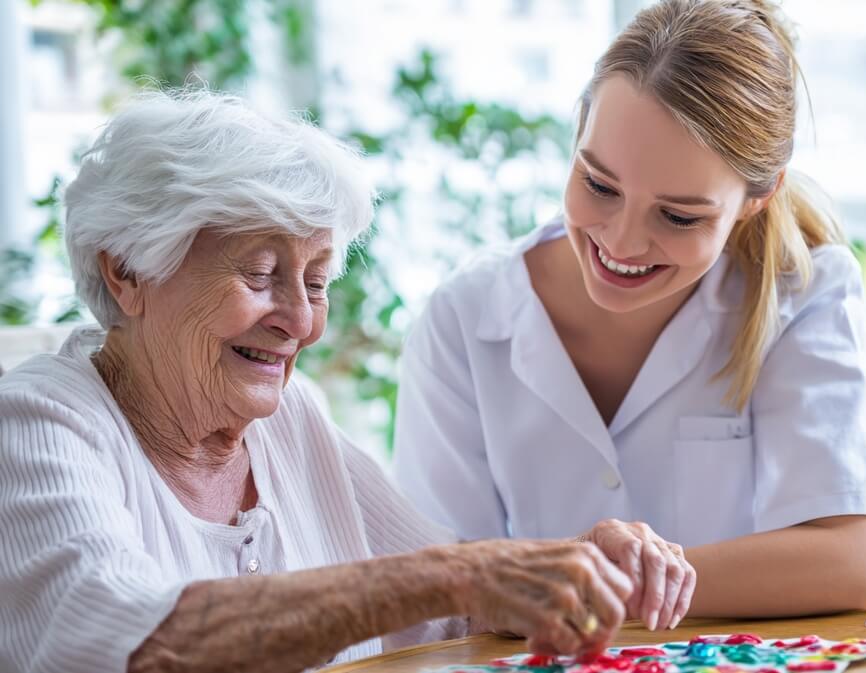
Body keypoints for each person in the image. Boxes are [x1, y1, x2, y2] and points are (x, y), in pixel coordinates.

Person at [0, 90, 692, 673]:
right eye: (261, 274)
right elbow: (115, 639)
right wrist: (461, 576)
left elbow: (455, 597)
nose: (300, 320)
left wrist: (576, 563)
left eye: (316, 281)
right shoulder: (37, 422)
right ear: (126, 270)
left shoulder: (290, 417)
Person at [391, 0, 866, 625]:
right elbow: (433, 598)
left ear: (759, 196)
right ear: (579, 130)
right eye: (598, 185)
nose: (620, 243)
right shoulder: (463, 317)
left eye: (678, 216)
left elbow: (857, 564)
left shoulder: (802, 292)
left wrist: (608, 580)